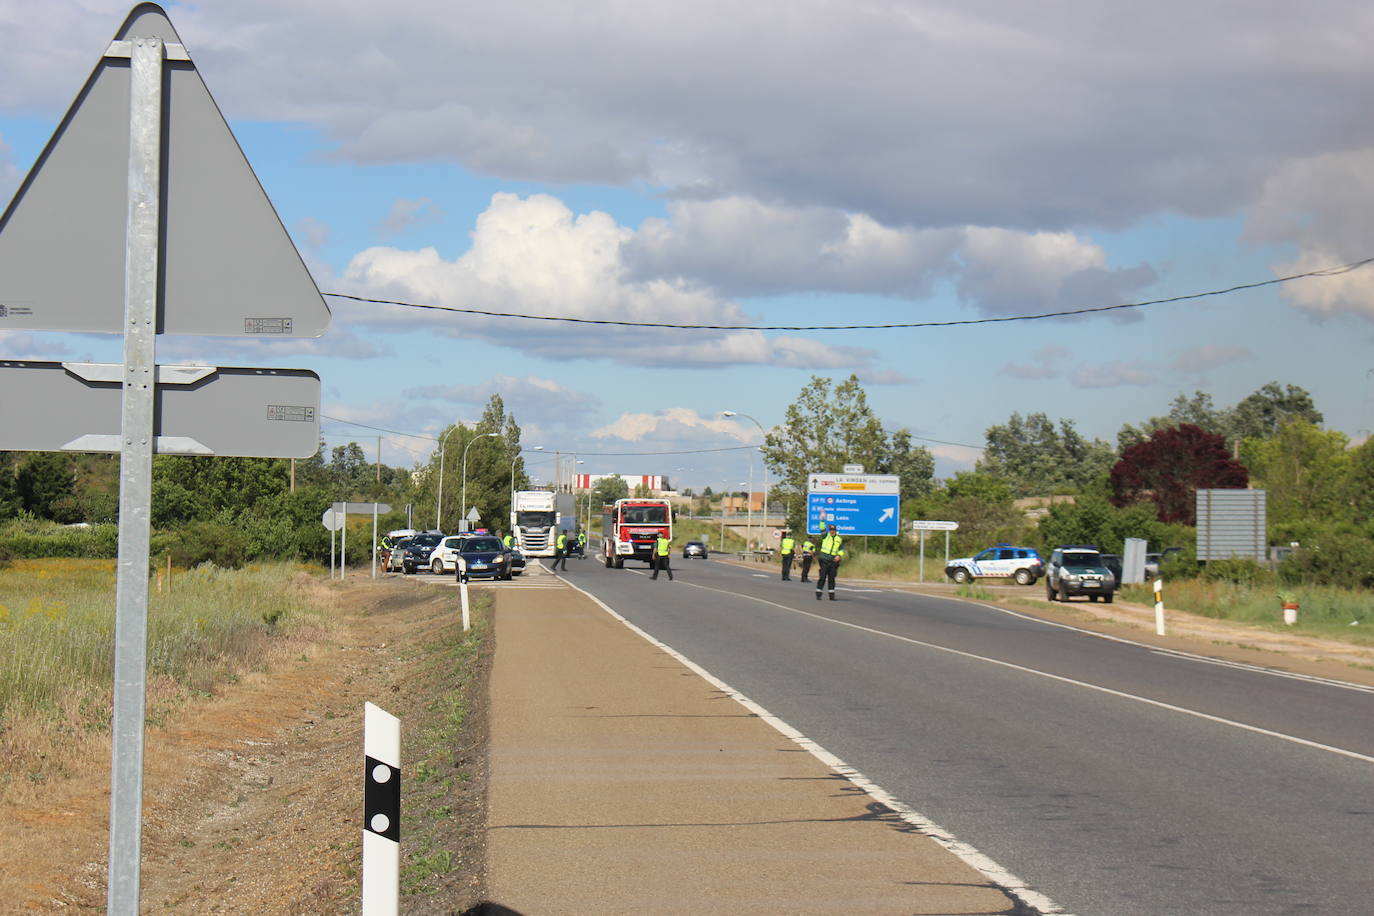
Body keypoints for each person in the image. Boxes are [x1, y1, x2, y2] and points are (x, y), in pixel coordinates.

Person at [815, 524, 844, 600]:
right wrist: (822, 520)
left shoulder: (839, 539)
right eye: (831, 530)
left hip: (833, 561)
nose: (832, 532)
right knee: (822, 577)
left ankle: (831, 595)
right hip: (824, 559)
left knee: (832, 578)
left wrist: (839, 555)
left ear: (835, 530)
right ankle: (818, 593)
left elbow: (841, 549)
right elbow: (822, 529)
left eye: (833, 530)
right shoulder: (825, 536)